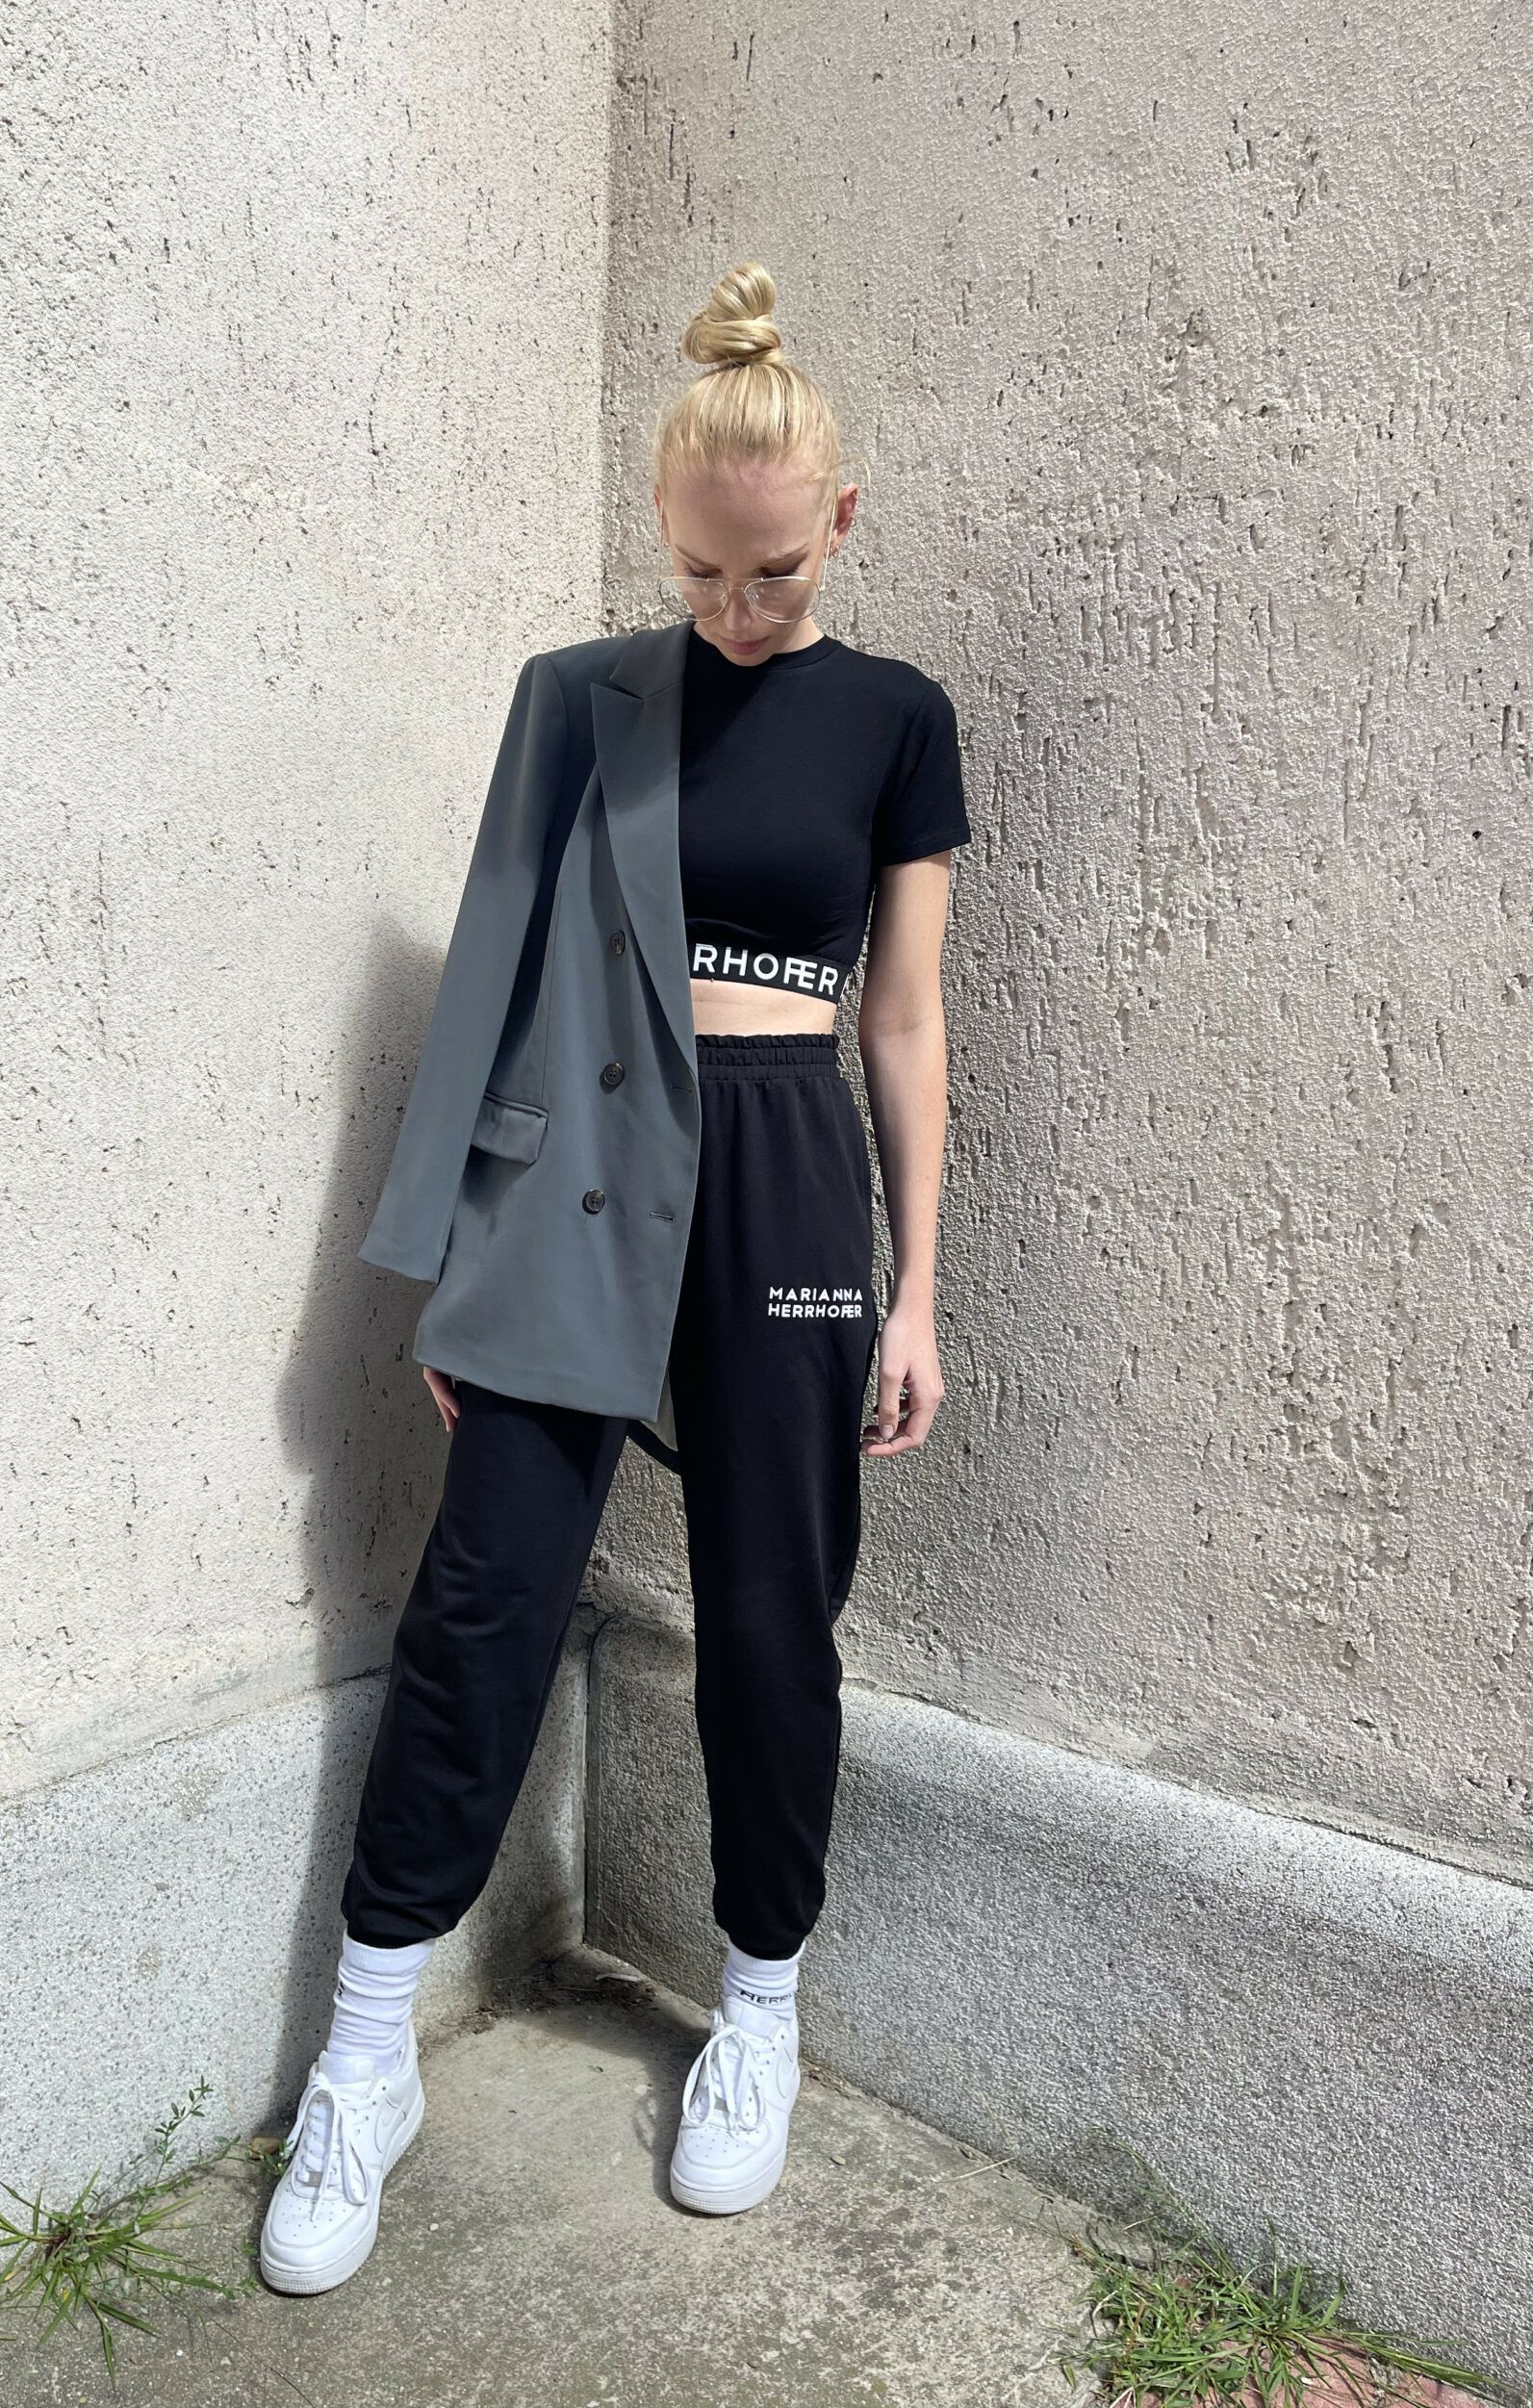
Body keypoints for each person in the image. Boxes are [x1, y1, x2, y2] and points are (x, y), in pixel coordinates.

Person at [259, 261, 971, 2296]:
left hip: (787, 1174)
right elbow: (494, 957)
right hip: (572, 1184)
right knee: (484, 1599)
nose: (735, 609)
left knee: (769, 1611)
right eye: (700, 573)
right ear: (661, 532)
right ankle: (366, 2052)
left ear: (838, 522)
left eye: (771, 572)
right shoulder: (581, 700)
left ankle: (758, 2003)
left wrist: (918, 1287)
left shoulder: (897, 719)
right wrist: (441, 1260)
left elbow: (904, 1017)